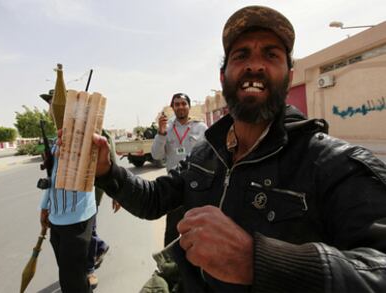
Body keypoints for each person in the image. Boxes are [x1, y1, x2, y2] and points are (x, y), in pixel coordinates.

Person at [66, 5, 386, 292]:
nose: (254, 65)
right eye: (241, 55)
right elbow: (154, 199)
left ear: (289, 77)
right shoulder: (207, 153)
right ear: (224, 77)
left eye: (271, 55)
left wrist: (259, 261)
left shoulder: (332, 163)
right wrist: (108, 172)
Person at [39, 90, 96, 293]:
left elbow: (97, 160)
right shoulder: (55, 140)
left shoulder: (85, 135)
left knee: (73, 278)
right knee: (67, 273)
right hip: (56, 217)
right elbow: (52, 176)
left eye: (58, 104)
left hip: (78, 218)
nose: (53, 109)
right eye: (51, 105)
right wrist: (44, 207)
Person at [151, 93, 207, 246]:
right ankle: (168, 266)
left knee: (198, 228)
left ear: (189, 106)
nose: (180, 107)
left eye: (183, 103)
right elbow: (156, 155)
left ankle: (197, 266)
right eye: (177, 104)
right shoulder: (166, 128)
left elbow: (210, 155)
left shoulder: (201, 128)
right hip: (174, 186)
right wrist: (161, 133)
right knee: (172, 230)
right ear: (173, 107)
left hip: (197, 188)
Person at [86, 130, 121, 289]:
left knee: (88, 229)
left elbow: (112, 163)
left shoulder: (102, 134)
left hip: (91, 191)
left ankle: (89, 269)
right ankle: (99, 246)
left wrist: (117, 193)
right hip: (71, 192)